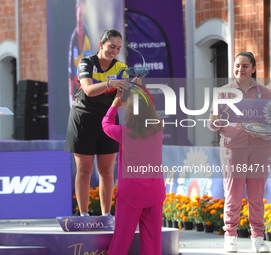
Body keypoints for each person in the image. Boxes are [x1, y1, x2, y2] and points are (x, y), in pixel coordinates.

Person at [208, 52, 271, 253]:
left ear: (253, 68)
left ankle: (258, 238)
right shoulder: (224, 92)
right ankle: (231, 236)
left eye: (245, 66)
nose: (240, 70)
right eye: (237, 66)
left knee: (256, 195)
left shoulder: (265, 93)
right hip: (232, 148)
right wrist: (216, 122)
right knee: (233, 195)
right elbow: (211, 123)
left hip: (260, 149)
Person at [65, 29, 130, 216]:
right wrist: (110, 84)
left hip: (107, 119)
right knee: (84, 170)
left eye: (118, 48)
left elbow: (123, 98)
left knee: (106, 170)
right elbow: (88, 90)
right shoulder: (86, 62)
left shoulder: (121, 68)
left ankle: (106, 215)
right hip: (83, 117)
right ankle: (84, 215)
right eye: (111, 46)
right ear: (101, 45)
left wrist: (131, 88)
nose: (114, 51)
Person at [102, 89, 165, 255]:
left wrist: (114, 106)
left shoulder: (124, 132)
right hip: (154, 193)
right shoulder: (159, 129)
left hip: (130, 194)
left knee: (120, 242)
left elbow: (106, 124)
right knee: (152, 244)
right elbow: (148, 103)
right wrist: (139, 88)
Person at [68, 0, 92, 108]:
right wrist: (72, 104)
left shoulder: (91, 35)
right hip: (79, 97)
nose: (80, 18)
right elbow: (70, 75)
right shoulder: (74, 39)